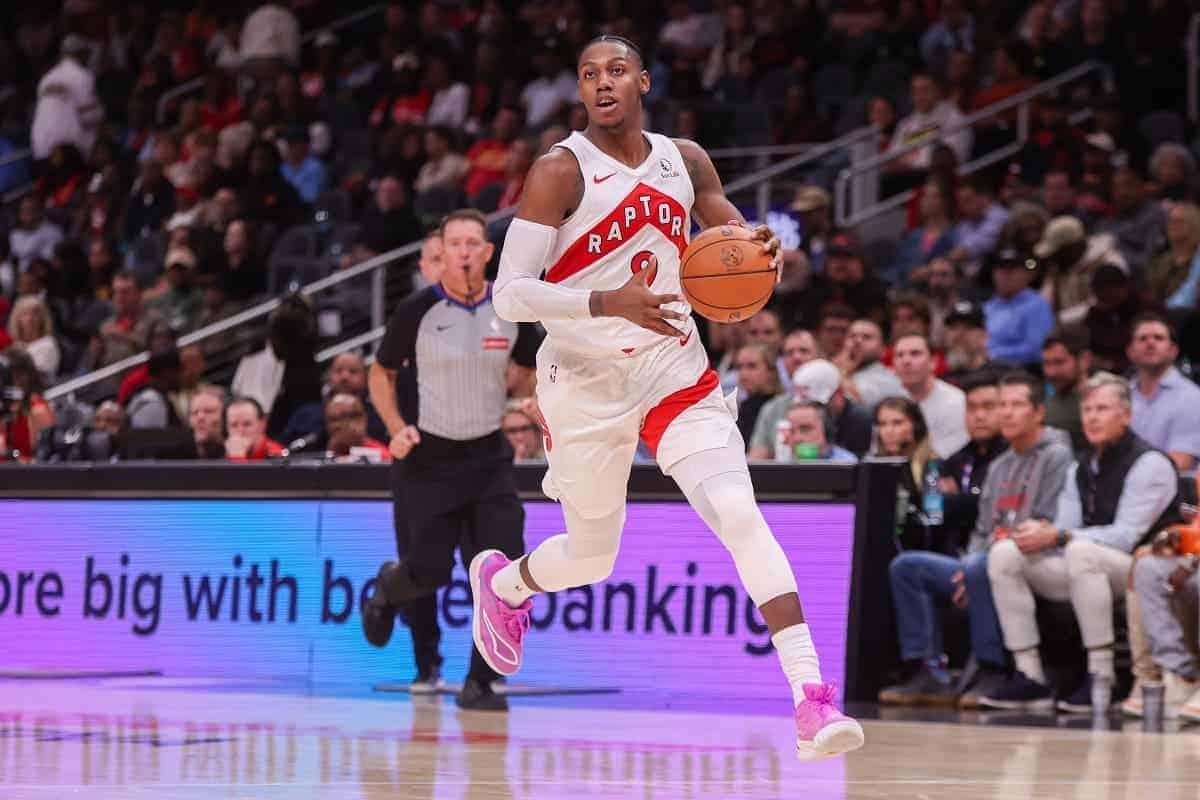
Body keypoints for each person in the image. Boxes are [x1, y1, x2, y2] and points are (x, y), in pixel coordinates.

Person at [478, 35, 863, 758]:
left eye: (616, 70)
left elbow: (728, 232)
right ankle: (508, 586)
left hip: (672, 369)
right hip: (586, 385)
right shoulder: (560, 171)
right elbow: (510, 294)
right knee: (593, 559)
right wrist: (607, 301)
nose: (603, 83)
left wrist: (757, 247)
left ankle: (811, 698)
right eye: (589, 74)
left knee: (739, 514)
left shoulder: (684, 159)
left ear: (644, 81)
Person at [363, 209, 540, 711]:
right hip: (428, 463)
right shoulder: (417, 310)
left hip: (488, 460)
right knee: (427, 573)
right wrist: (396, 430)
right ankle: (385, 589)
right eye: (454, 243)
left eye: (473, 243)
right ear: (442, 253)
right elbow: (379, 375)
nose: (463, 252)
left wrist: (527, 395)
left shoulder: (509, 308)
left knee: (501, 571)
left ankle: (480, 682)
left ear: (487, 253)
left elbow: (527, 369)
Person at [982, 373, 1179, 712]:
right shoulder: (1081, 465)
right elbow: (1066, 527)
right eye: (1087, 409)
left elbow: (1125, 536)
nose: (1092, 417)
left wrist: (1059, 536)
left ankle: (1101, 675)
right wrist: (1037, 533)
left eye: (1102, 409)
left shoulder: (1151, 463)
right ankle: (1030, 676)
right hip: (1086, 566)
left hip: (1143, 568)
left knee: (1080, 550)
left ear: (1127, 416)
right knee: (1005, 554)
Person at [880, 371, 1012, 707]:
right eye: (972, 408)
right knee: (906, 566)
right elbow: (937, 518)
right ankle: (928, 670)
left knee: (977, 565)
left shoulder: (1009, 461)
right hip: (960, 559)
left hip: (997, 559)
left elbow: (985, 511)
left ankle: (991, 669)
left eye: (988, 407)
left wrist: (961, 502)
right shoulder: (954, 462)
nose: (979, 415)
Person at [750, 357, 873, 460]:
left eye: (806, 428)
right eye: (793, 431)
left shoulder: (860, 420)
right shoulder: (784, 408)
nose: (798, 437)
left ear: (838, 393)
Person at [1127, 313, 1200, 473]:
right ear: (1130, 351)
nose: (1150, 343)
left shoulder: (1192, 398)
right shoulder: (1121, 396)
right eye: (1143, 338)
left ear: (1173, 351)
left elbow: (1181, 463)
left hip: (1172, 492)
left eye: (1158, 338)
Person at [894, 333, 969, 458]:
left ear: (933, 362)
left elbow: (949, 456)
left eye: (915, 353)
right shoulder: (890, 401)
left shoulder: (956, 402)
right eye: (900, 355)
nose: (906, 361)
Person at [31, 35, 103, 161]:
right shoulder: (82, 75)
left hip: (41, 147)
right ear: (81, 53)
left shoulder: (46, 78)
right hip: (69, 149)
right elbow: (90, 116)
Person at [983, 248, 1055, 367]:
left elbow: (1037, 349)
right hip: (985, 368)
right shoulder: (989, 306)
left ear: (1027, 275)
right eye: (1001, 269)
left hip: (1022, 372)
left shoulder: (1036, 305)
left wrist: (993, 354)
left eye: (1012, 270)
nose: (1005, 275)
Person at [1041, 327, 1092, 452]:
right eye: (1046, 363)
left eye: (1059, 362)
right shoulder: (1044, 403)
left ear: (1084, 360)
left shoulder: (1106, 399)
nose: (1051, 372)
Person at [840, 319, 905, 409]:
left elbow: (856, 407)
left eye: (867, 337)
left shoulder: (888, 379)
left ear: (883, 349)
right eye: (852, 336)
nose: (857, 341)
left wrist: (843, 373)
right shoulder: (834, 369)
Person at [775, 401, 857, 463]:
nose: (797, 438)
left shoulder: (847, 464)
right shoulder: (782, 464)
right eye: (791, 431)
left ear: (826, 430)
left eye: (805, 429)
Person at [733, 343, 781, 446]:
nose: (743, 373)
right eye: (739, 367)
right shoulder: (743, 407)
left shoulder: (778, 407)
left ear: (771, 371)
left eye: (752, 366)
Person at [6, 296, 60, 384]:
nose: (29, 319)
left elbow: (38, 378)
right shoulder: (14, 345)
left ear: (43, 318)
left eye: (35, 314)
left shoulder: (48, 344)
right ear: (17, 319)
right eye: (24, 314)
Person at [126, 349, 184, 429]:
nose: (181, 376)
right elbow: (150, 440)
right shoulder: (152, 402)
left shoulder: (158, 397)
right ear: (167, 372)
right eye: (179, 371)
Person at [324, 393, 391, 463]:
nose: (338, 424)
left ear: (362, 419)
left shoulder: (381, 455)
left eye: (345, 417)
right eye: (332, 419)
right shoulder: (317, 449)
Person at [224, 397, 284, 461]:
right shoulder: (220, 453)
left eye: (247, 424)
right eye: (234, 425)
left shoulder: (277, 455)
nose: (240, 431)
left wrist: (237, 458)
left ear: (262, 424)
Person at [188, 384, 226, 459]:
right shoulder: (179, 458)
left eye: (209, 411)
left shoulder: (235, 454)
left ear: (224, 417)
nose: (200, 417)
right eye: (194, 412)